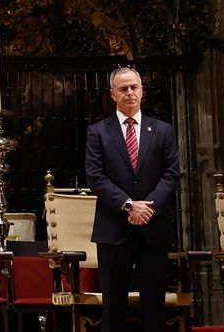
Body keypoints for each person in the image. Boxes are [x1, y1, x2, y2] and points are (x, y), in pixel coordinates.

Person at [84, 67, 180, 332]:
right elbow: (95, 177)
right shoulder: (98, 132)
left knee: (154, 307)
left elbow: (171, 175)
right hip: (113, 229)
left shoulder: (162, 131)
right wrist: (129, 205)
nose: (129, 93)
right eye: (123, 89)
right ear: (112, 94)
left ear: (142, 91)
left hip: (153, 227)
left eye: (134, 87)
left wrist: (147, 207)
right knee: (113, 308)